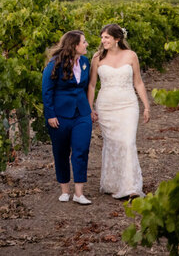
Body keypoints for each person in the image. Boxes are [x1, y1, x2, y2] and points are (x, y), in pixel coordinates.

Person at [88, 23, 151, 199]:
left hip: (128, 104)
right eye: (102, 37)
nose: (103, 40)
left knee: (127, 142)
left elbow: (138, 82)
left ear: (117, 39)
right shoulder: (97, 58)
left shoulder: (131, 56)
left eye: (106, 37)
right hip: (106, 106)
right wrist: (90, 107)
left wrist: (146, 106)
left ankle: (130, 186)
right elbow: (92, 85)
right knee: (113, 143)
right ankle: (113, 183)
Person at [42, 30, 93, 205]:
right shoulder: (55, 63)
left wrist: (90, 109)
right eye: (84, 42)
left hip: (82, 114)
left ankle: (79, 193)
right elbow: (46, 90)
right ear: (75, 45)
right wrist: (50, 115)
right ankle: (65, 189)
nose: (86, 45)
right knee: (61, 152)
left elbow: (87, 87)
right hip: (60, 115)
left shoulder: (85, 62)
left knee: (81, 150)